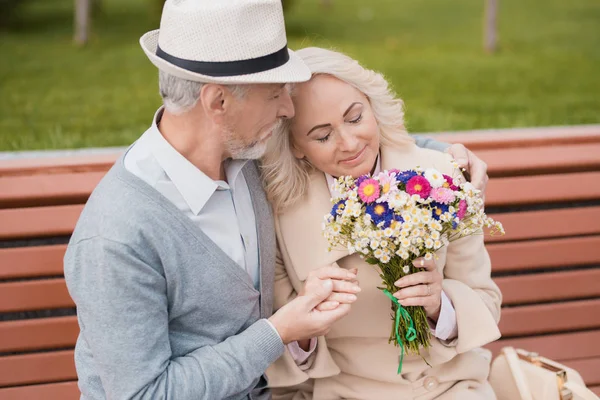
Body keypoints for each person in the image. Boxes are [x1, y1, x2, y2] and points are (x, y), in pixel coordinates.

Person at [261, 47, 502, 400]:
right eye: (322, 136)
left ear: (373, 106)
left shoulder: (442, 176)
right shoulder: (280, 212)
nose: (349, 143)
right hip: (346, 391)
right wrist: (306, 324)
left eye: (355, 118)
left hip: (449, 387)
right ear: (295, 145)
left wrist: (440, 305)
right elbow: (285, 347)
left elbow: (486, 300)